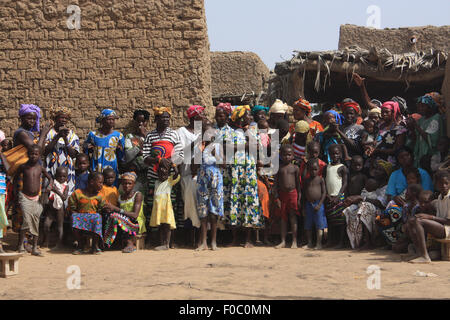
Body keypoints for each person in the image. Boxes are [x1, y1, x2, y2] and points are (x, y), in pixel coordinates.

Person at [142, 106, 184, 245]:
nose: (166, 120)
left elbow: (179, 155)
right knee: (152, 204)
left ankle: (171, 240)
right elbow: (145, 157)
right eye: (162, 117)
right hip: (154, 174)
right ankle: (154, 238)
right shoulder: (150, 135)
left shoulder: (174, 134)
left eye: (168, 118)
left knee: (170, 204)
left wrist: (169, 164)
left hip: (169, 175)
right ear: (156, 119)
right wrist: (159, 161)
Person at [228, 105, 264, 248]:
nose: (250, 117)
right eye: (248, 115)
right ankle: (236, 238)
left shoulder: (252, 131)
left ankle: (248, 239)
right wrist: (246, 146)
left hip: (249, 169)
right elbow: (229, 148)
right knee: (236, 201)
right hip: (236, 170)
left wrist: (246, 139)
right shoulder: (232, 132)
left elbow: (257, 147)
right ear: (241, 117)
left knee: (249, 201)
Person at [343, 160, 391, 249]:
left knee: (365, 207)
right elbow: (363, 195)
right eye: (376, 169)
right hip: (367, 206)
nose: (377, 171)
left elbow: (381, 203)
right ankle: (356, 241)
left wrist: (362, 199)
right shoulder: (372, 183)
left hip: (380, 210)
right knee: (349, 210)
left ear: (386, 173)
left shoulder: (387, 186)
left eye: (380, 170)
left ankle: (369, 242)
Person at [15, 145, 53, 256]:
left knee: (36, 222)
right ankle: (20, 245)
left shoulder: (40, 168)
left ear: (40, 156)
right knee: (26, 220)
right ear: (27, 154)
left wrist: (49, 186)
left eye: (36, 154)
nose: (33, 156)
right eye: (31, 154)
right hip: (24, 197)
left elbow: (50, 177)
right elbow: (16, 178)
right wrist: (16, 193)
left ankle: (35, 247)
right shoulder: (23, 167)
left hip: (37, 198)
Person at [406, 170, 450, 264]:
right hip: (443, 227)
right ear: (436, 185)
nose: (444, 186)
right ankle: (419, 252)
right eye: (441, 183)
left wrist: (430, 217)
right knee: (412, 220)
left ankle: (425, 256)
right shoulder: (439, 197)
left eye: (446, 183)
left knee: (419, 221)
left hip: (448, 229)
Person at [176, 105, 205, 241]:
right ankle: (191, 237)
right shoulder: (181, 132)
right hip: (187, 174)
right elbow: (180, 154)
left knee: (201, 205)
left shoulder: (202, 131)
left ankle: (200, 237)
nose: (203, 118)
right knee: (189, 205)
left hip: (202, 174)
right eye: (201, 116)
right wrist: (196, 143)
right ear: (193, 118)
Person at [196, 122, 223, 251]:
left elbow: (223, 164)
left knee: (214, 211)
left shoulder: (218, 146)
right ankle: (203, 243)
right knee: (203, 212)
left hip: (215, 180)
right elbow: (194, 166)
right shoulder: (199, 147)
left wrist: (214, 154)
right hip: (202, 180)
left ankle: (213, 242)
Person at [103, 172, 146, 253]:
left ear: (134, 184)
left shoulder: (137, 195)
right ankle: (109, 242)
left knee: (116, 216)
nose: (127, 186)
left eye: (130, 183)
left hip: (136, 223)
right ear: (121, 184)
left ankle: (130, 244)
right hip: (123, 222)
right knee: (111, 216)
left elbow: (135, 215)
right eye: (124, 183)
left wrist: (116, 209)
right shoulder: (120, 197)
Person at [43, 106, 79, 195]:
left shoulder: (72, 135)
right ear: (55, 118)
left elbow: (74, 155)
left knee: (66, 195)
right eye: (61, 117)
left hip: (67, 171)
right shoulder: (48, 133)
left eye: (66, 118)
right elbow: (45, 151)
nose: (63, 120)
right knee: (50, 195)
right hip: (51, 168)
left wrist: (65, 139)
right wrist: (58, 136)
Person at [84, 109, 125, 185]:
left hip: (111, 167)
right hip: (96, 166)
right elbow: (85, 149)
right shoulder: (93, 135)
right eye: (109, 119)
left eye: (113, 119)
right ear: (102, 121)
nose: (111, 121)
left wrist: (120, 150)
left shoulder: (119, 136)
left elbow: (122, 156)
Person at [68, 172, 106, 255]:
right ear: (92, 182)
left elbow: (101, 210)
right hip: (80, 216)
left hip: (94, 218)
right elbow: (72, 208)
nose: (102, 185)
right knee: (74, 217)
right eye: (100, 182)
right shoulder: (77, 193)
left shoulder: (100, 195)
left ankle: (95, 246)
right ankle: (80, 245)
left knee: (98, 217)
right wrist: (77, 215)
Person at [273, 144, 301, 249]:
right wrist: (276, 198)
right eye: (284, 155)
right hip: (282, 195)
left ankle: (294, 241)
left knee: (293, 217)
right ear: (281, 155)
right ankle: (283, 241)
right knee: (283, 219)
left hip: (293, 194)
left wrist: (299, 198)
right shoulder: (279, 169)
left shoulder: (295, 168)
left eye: (289, 155)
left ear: (293, 156)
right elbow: (275, 184)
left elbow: (298, 185)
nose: (287, 157)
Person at [407, 93, 445, 169]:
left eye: (423, 106)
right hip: (420, 153)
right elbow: (416, 138)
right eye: (418, 107)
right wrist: (411, 128)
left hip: (430, 155)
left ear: (430, 106)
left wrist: (416, 126)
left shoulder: (436, 118)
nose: (420, 109)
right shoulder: (421, 120)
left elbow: (431, 139)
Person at [149, 161, 180, 251]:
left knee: (167, 226)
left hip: (166, 208)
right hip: (158, 209)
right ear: (157, 173)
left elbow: (177, 174)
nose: (162, 173)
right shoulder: (156, 183)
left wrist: (173, 165)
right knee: (161, 226)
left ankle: (166, 244)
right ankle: (162, 243)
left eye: (165, 171)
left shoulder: (169, 181)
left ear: (168, 173)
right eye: (160, 172)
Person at [323, 144, 348, 248]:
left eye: (337, 153)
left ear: (341, 154)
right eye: (332, 154)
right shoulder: (327, 167)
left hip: (339, 198)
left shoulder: (342, 168)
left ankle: (341, 242)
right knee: (330, 220)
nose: (335, 155)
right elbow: (324, 181)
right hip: (329, 197)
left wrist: (338, 196)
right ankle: (330, 240)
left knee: (340, 221)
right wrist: (327, 195)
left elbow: (345, 183)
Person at [372, 101, 407, 167]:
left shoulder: (400, 129)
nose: (384, 114)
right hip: (378, 161)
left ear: (393, 113)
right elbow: (377, 141)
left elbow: (397, 149)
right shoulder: (381, 126)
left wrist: (379, 150)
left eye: (387, 112)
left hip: (391, 163)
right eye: (382, 112)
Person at [124, 109, 150, 194]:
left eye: (143, 121)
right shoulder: (130, 137)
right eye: (138, 121)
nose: (140, 124)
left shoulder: (151, 136)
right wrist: (139, 150)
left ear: (147, 122)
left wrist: (144, 135)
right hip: (135, 174)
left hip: (149, 174)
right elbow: (128, 155)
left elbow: (154, 152)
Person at [303, 158, 327, 250]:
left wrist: (320, 204)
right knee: (308, 224)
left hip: (318, 204)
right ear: (308, 170)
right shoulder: (307, 180)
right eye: (311, 169)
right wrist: (304, 207)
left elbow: (324, 193)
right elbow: (305, 193)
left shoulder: (321, 180)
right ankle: (309, 243)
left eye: (315, 169)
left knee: (319, 224)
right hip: (309, 204)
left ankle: (319, 243)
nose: (313, 171)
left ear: (319, 169)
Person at [43, 166, 69, 250]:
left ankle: (59, 244)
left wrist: (56, 190)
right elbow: (47, 192)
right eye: (59, 176)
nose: (61, 178)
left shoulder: (66, 186)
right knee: (46, 225)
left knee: (59, 226)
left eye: (64, 176)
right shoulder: (52, 183)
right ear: (55, 176)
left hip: (60, 208)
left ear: (67, 177)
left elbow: (64, 197)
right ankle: (46, 241)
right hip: (50, 208)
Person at [0, 142, 10, 253]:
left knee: (0, 219)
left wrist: (2, 156)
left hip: (1, 192)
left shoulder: (3, 160)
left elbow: (8, 170)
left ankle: (0, 245)